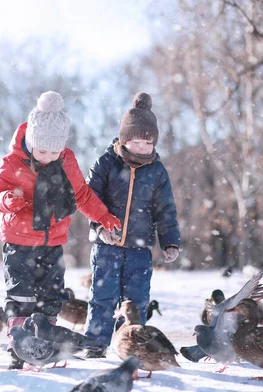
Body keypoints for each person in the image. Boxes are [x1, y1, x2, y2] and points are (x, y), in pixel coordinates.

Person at [0, 91, 121, 369]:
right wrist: (8, 201)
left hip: (53, 240)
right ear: (31, 143)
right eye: (43, 150)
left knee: (52, 296)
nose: (49, 156)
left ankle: (43, 344)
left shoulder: (66, 160)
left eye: (54, 151)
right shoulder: (13, 162)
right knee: (21, 295)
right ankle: (19, 347)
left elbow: (81, 194)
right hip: (19, 240)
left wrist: (103, 217)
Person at [83, 92, 181, 358]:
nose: (142, 147)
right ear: (125, 140)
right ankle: (95, 343)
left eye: (148, 143)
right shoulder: (106, 163)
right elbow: (90, 200)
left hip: (140, 248)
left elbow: (166, 210)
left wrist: (170, 241)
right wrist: (100, 229)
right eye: (136, 141)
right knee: (103, 298)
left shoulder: (157, 172)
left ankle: (132, 344)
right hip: (107, 246)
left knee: (136, 301)